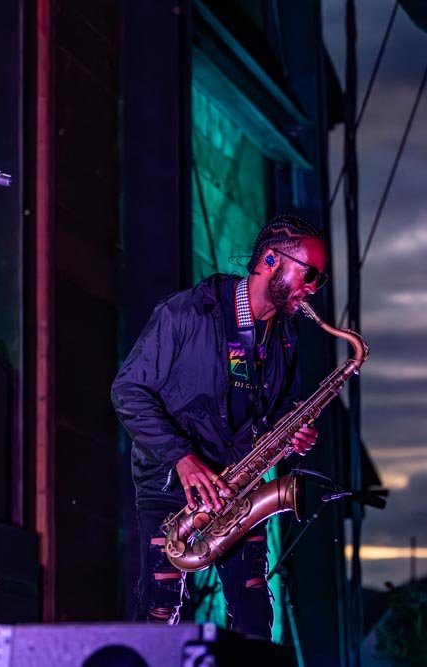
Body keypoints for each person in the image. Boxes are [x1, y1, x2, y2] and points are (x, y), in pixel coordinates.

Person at [111, 214, 328, 638]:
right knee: (160, 612)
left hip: (238, 488)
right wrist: (183, 458)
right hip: (171, 486)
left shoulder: (286, 335)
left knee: (254, 617)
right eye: (310, 274)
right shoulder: (185, 313)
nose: (313, 290)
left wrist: (296, 433)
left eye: (319, 281)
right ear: (269, 259)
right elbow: (128, 391)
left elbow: (284, 408)